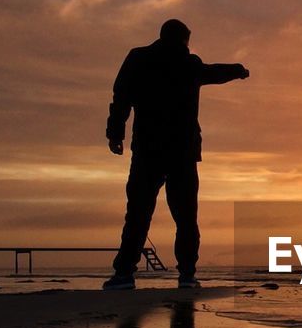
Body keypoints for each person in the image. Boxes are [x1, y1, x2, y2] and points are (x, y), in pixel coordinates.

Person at [102, 18, 249, 290]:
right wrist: (238, 70)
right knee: (185, 216)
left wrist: (115, 134)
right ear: (184, 40)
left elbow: (120, 97)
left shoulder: (139, 59)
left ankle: (124, 273)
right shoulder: (188, 64)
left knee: (138, 213)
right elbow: (213, 72)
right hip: (181, 152)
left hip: (148, 149)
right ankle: (187, 275)